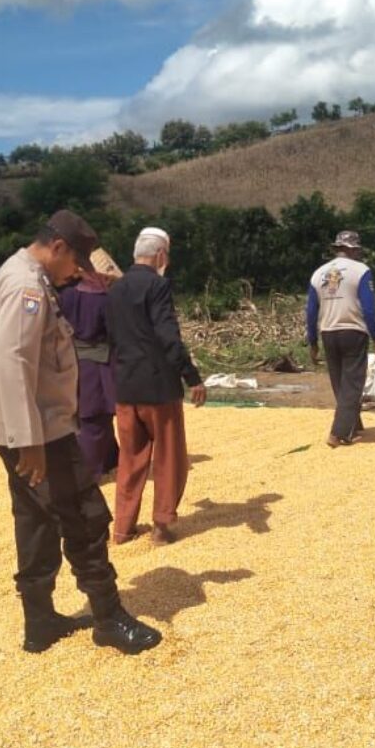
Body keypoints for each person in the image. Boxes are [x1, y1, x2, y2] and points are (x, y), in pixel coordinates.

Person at [0, 210, 161, 654]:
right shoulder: (26, 287)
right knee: (85, 514)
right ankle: (109, 617)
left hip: (22, 426)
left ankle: (39, 621)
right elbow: (14, 363)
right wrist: (31, 442)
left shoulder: (22, 274)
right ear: (58, 247)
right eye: (76, 262)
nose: (78, 272)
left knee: (36, 519)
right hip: (38, 429)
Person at [106, 227, 207, 545]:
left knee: (131, 459)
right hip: (158, 388)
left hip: (125, 386)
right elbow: (168, 336)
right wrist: (192, 377)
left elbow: (110, 337)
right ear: (161, 255)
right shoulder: (158, 285)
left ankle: (122, 529)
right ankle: (161, 527)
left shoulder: (115, 289)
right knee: (168, 457)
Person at [306, 230, 375, 448]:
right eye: (358, 249)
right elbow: (369, 309)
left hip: (328, 332)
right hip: (353, 331)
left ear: (337, 248)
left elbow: (311, 311)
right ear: (353, 249)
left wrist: (312, 342)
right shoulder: (361, 271)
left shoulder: (318, 273)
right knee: (352, 384)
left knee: (340, 382)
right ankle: (339, 433)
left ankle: (354, 423)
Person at [57, 248, 123, 486]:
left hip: (71, 360)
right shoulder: (104, 300)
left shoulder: (66, 294)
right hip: (98, 364)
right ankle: (91, 471)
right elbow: (114, 332)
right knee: (96, 418)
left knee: (88, 418)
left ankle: (111, 461)